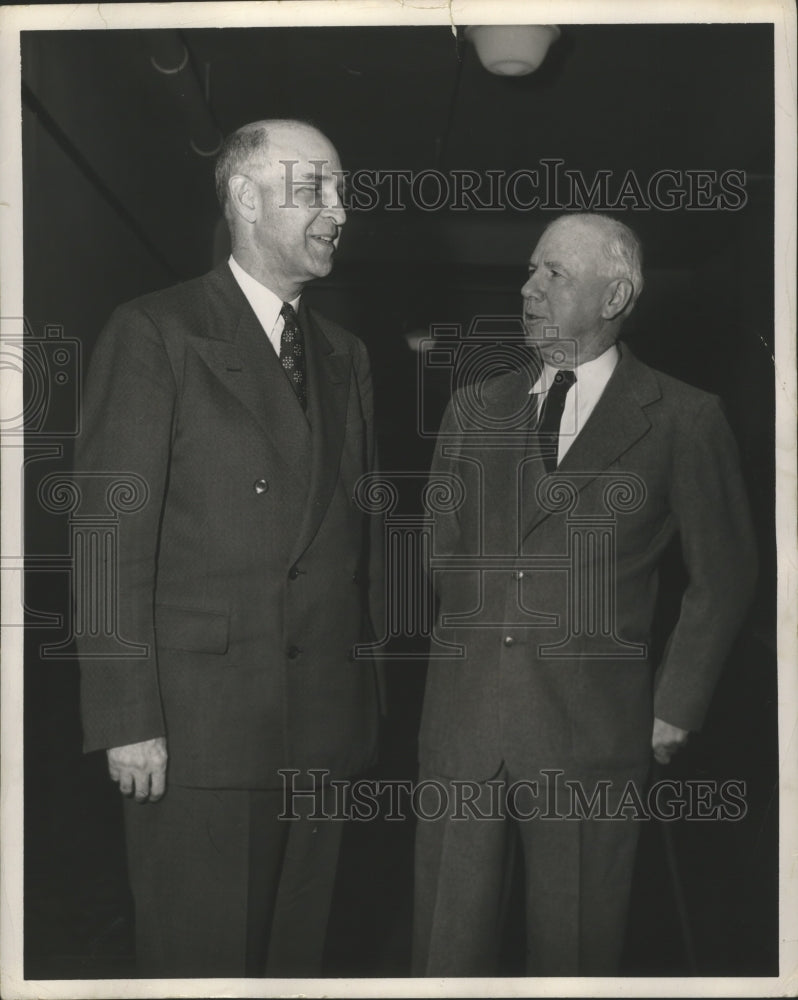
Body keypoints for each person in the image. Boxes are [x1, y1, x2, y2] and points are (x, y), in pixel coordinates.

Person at [75, 119, 383, 977]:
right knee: (201, 964)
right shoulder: (156, 332)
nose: (340, 210)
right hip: (198, 731)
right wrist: (127, 717)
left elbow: (342, 545)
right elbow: (108, 536)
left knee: (294, 964)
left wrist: (364, 713)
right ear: (246, 197)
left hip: (323, 727)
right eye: (315, 187)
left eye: (342, 189)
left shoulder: (345, 356)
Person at [413, 212, 757, 976]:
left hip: (592, 736)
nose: (528, 289)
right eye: (530, 272)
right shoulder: (474, 409)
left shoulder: (685, 419)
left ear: (616, 294)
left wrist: (674, 704)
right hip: (464, 728)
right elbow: (442, 552)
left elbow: (725, 574)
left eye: (553, 275)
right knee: (445, 954)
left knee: (573, 956)